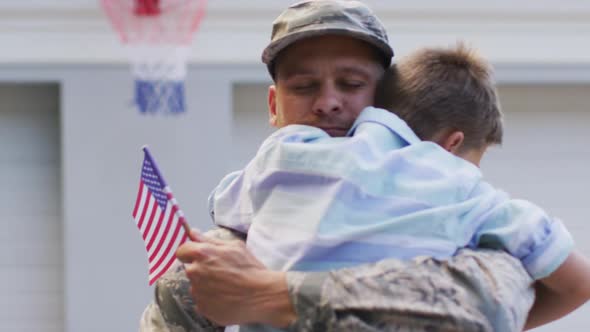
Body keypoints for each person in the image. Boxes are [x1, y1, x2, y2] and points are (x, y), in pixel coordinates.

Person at [139, 1, 584, 331]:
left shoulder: (455, 212)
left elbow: (481, 308)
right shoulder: (231, 238)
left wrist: (265, 292)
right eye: (304, 86)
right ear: (274, 106)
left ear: (386, 104)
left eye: (351, 84)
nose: (328, 102)